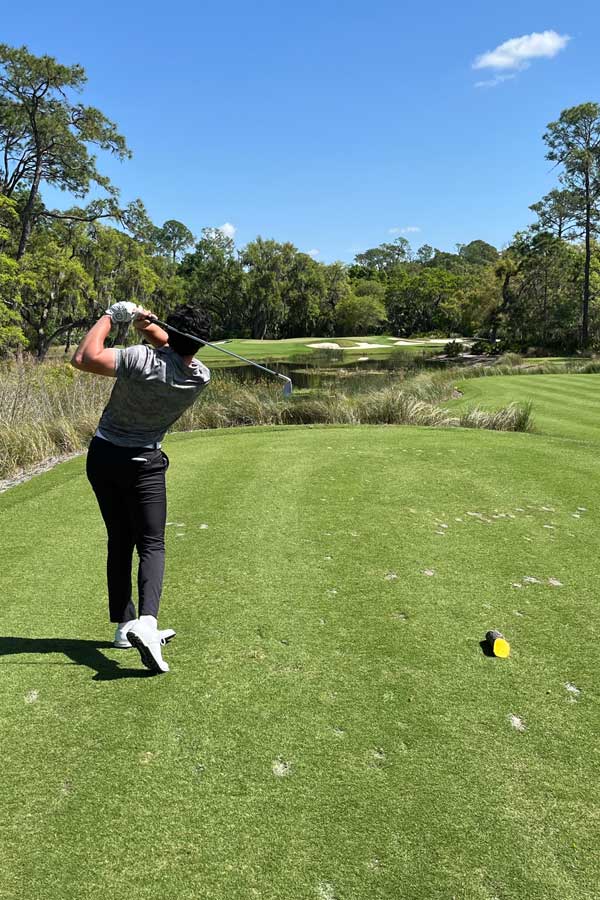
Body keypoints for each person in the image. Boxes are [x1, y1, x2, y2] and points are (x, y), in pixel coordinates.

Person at [71, 301, 211, 674]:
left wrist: (111, 316)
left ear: (171, 331)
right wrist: (145, 324)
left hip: (103, 459)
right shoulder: (199, 377)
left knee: (120, 539)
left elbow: (85, 358)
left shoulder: (138, 359)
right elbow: (177, 347)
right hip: (144, 465)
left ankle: (125, 626)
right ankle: (147, 622)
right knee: (152, 543)